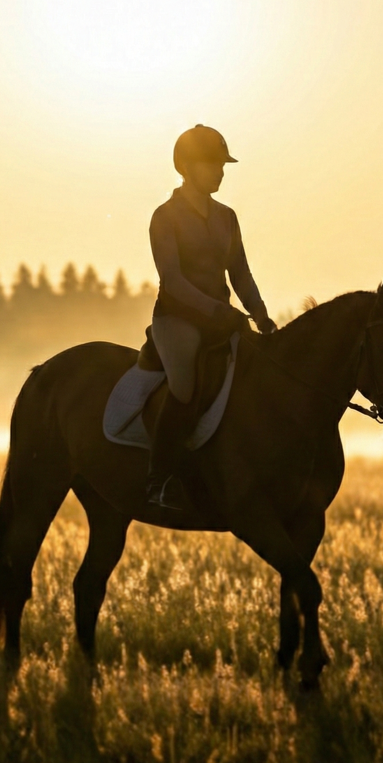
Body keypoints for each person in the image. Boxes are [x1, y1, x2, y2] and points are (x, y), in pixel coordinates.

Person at [147, 124, 276, 508]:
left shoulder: (227, 217)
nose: (221, 171)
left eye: (223, 165)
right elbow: (172, 280)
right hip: (177, 320)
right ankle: (160, 478)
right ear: (186, 166)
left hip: (222, 320)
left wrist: (261, 314)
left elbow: (240, 273)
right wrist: (219, 310)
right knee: (184, 383)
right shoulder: (164, 217)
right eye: (213, 164)